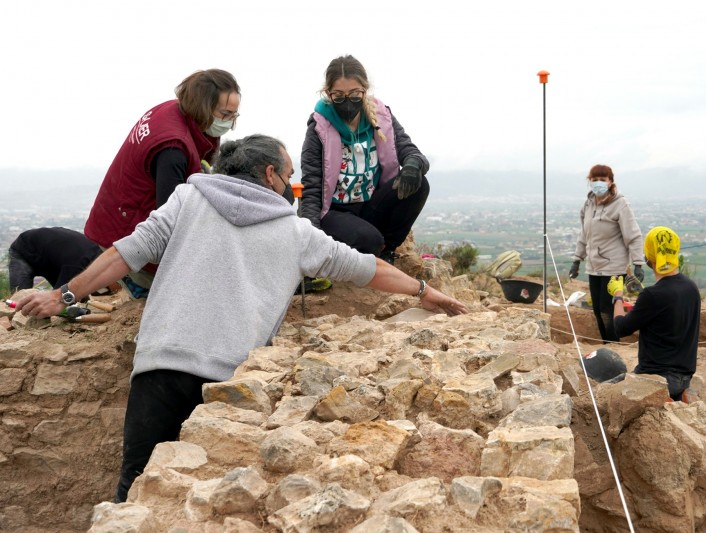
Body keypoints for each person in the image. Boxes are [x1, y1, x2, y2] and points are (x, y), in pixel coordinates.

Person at [17, 134, 467, 503]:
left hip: (159, 366)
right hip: (229, 385)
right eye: (289, 176)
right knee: (212, 499)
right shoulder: (294, 231)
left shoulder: (187, 199)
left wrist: (64, 296)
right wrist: (424, 292)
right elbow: (366, 267)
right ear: (269, 174)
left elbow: (125, 252)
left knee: (135, 489)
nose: (291, 187)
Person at [84, 69, 241, 292]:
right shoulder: (173, 147)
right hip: (128, 233)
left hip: (118, 215)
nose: (229, 121)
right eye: (225, 114)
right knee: (160, 299)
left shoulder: (176, 110)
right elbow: (170, 219)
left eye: (234, 115)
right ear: (203, 107)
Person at [300, 55, 429, 265]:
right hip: (334, 212)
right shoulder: (319, 128)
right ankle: (375, 247)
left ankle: (387, 249)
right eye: (339, 96)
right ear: (328, 94)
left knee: (420, 184)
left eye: (354, 94)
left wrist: (414, 164)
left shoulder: (381, 117)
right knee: (369, 241)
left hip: (371, 205)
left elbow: (409, 150)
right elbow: (312, 186)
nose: (347, 101)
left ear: (364, 90)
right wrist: (311, 238)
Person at [608, 226, 701, 401]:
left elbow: (620, 328)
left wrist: (617, 296)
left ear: (649, 256)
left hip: (656, 378)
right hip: (684, 377)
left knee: (605, 391)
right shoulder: (691, 287)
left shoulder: (653, 295)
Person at [568, 164, 645, 343]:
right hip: (594, 266)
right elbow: (584, 234)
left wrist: (638, 263)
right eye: (594, 180)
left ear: (610, 182)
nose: (598, 183)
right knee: (597, 309)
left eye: (602, 180)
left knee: (607, 308)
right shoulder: (588, 205)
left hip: (614, 266)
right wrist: (577, 260)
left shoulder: (620, 204)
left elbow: (633, 234)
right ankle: (606, 343)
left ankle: (614, 343)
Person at [7, 227, 104, 293]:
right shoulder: (76, 264)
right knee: (19, 298)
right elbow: (58, 295)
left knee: (71, 293)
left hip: (50, 259)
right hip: (24, 251)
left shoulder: (95, 252)